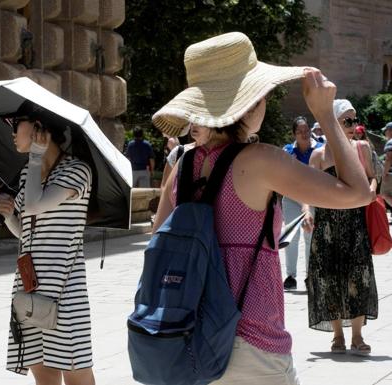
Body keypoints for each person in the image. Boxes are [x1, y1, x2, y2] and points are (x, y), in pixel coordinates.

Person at [151, 32, 371, 384]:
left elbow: (157, 241)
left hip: (187, 336)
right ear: (250, 104)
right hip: (252, 340)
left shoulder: (183, 167)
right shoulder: (262, 160)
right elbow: (358, 192)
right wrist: (326, 117)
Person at [0, 100, 96, 385]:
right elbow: (27, 232)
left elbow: (32, 206)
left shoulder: (77, 171)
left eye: (17, 126)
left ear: (40, 128)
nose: (13, 133)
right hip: (29, 284)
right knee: (43, 373)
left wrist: (37, 158)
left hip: (63, 288)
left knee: (75, 371)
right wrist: (8, 219)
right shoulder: (30, 172)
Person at [302, 99, 378, 356]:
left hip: (354, 225)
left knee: (358, 277)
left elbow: (372, 177)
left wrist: (371, 191)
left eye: (354, 120)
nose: (353, 125)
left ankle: (357, 336)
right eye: (347, 120)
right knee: (329, 280)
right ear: (332, 122)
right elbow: (307, 191)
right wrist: (306, 212)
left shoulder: (360, 149)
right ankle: (337, 336)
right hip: (326, 227)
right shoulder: (318, 156)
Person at [280, 116, 323, 290]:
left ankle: (309, 276)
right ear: (294, 134)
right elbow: (284, 179)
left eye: (306, 130)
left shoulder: (319, 149)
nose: (304, 134)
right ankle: (290, 275)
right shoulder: (287, 151)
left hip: (313, 198)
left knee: (310, 236)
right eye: (300, 131)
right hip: (291, 197)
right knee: (292, 236)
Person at [380, 122, 392, 207]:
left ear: (390, 131)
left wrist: (384, 173)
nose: (385, 133)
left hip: (390, 174)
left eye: (386, 131)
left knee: (384, 194)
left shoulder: (390, 142)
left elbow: (389, 158)